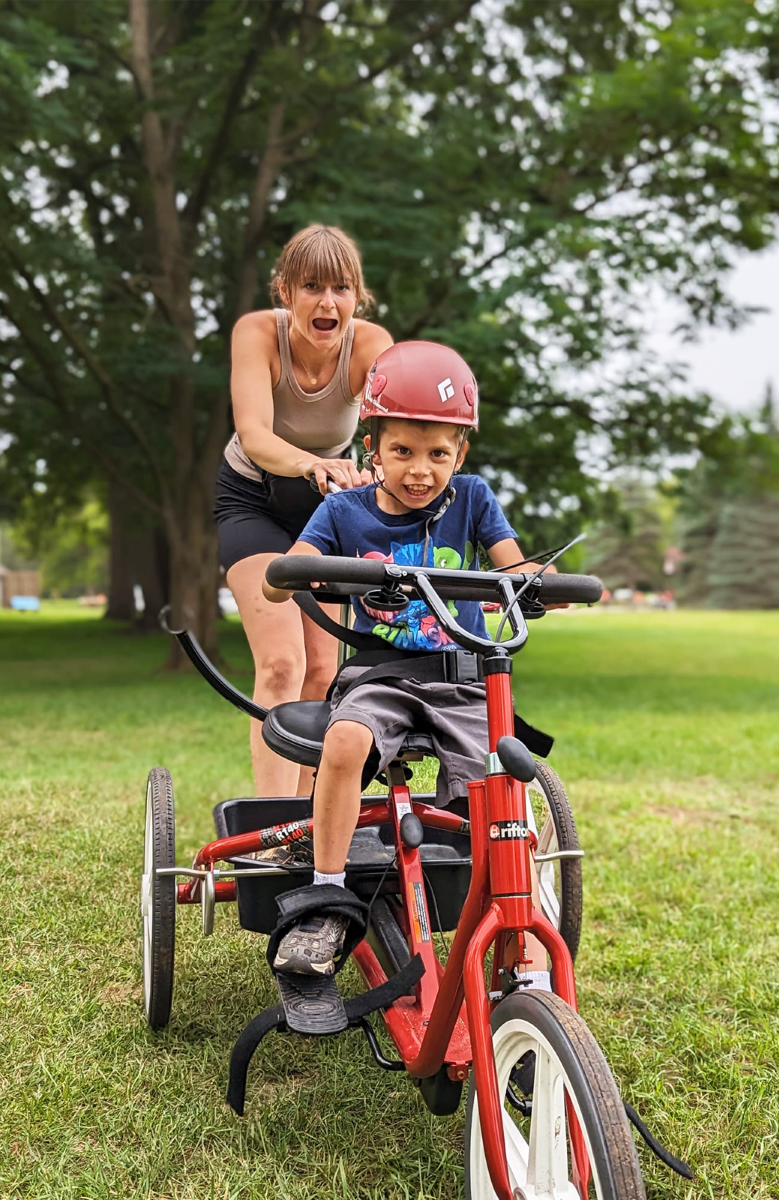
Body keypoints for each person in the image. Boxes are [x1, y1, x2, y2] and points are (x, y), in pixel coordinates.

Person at [262, 340, 552, 988]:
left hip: (462, 677)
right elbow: (280, 579)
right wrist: (303, 575)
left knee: (506, 779)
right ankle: (327, 904)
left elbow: (513, 563)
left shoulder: (472, 499)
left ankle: (521, 937)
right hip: (382, 676)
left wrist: (542, 579)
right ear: (374, 448)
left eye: (437, 454)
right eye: (402, 452)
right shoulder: (343, 511)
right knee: (344, 741)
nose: (420, 469)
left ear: (460, 454)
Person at [215, 224, 393, 797]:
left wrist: (377, 476)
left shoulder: (370, 345)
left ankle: (307, 821)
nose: (327, 302)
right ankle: (271, 826)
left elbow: (393, 432)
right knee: (282, 666)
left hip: (330, 514)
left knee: (324, 672)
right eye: (311, 286)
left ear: (356, 297)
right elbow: (256, 435)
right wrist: (316, 464)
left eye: (341, 288)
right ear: (284, 291)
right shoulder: (257, 334)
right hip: (254, 501)